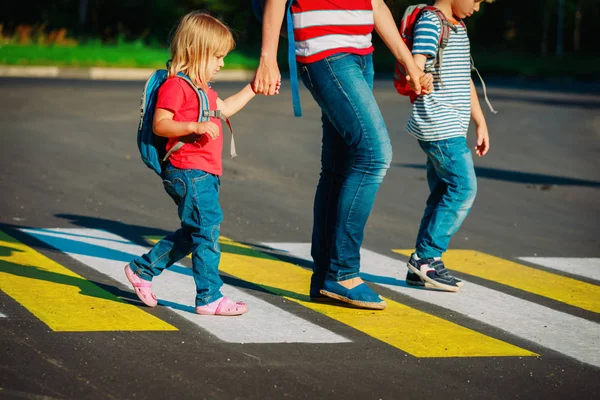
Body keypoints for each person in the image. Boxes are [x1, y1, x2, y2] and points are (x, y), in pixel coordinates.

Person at [254, 0, 429, 310]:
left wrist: (408, 61)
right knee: (374, 155)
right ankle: (343, 271)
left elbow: (375, 4)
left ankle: (324, 278)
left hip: (362, 53)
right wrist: (268, 57)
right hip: (324, 50)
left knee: (339, 167)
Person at [124, 12, 268, 316]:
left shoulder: (203, 91)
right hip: (187, 171)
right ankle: (209, 296)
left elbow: (226, 108)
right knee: (208, 231)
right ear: (195, 52)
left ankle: (142, 270)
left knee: (195, 232)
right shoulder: (176, 86)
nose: (222, 63)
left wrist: (254, 87)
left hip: (203, 174)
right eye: (217, 56)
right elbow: (162, 124)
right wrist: (195, 126)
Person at [404, 0, 494, 292]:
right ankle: (427, 257)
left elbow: (464, 77)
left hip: (449, 126)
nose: (477, 8)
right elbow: (415, 67)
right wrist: (420, 78)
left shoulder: (458, 26)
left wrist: (480, 122)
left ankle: (419, 266)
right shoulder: (432, 22)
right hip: (438, 125)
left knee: (444, 191)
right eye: (477, 0)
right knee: (463, 188)